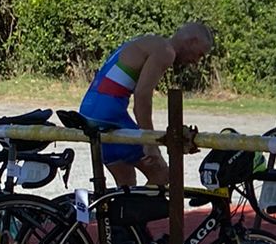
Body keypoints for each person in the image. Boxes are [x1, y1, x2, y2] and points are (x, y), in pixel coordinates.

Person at [78, 22, 215, 188]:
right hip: (108, 115)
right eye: (199, 55)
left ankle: (121, 205)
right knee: (162, 174)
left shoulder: (147, 41)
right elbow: (142, 97)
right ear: (192, 41)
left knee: (126, 182)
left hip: (89, 110)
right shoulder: (166, 51)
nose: (195, 61)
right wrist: (150, 144)